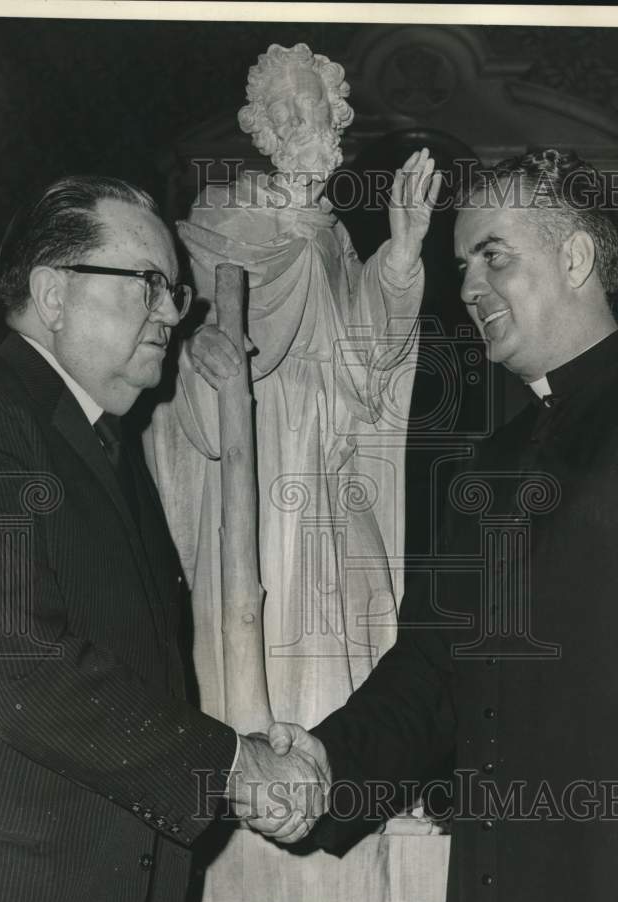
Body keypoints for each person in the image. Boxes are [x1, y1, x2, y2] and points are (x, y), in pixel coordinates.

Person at [254, 149, 618, 902]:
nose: (469, 288)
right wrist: (325, 763)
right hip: (500, 901)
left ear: (575, 258)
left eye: (493, 256)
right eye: (460, 266)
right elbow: (430, 674)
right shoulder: (488, 463)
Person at [0, 175, 326, 902]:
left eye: (174, 290)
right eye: (146, 283)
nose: (173, 312)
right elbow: (16, 662)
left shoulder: (106, 441)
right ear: (53, 294)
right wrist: (232, 766)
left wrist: (241, 751)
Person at [146, 42, 439, 729]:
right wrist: (201, 356)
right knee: (271, 614)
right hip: (262, 443)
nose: (297, 121)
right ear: (264, 131)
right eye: (281, 112)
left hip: (334, 455)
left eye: (308, 105)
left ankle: (343, 759)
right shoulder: (223, 217)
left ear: (334, 118)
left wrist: (401, 252)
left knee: (353, 611)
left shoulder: (335, 241)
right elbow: (182, 343)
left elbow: (369, 358)